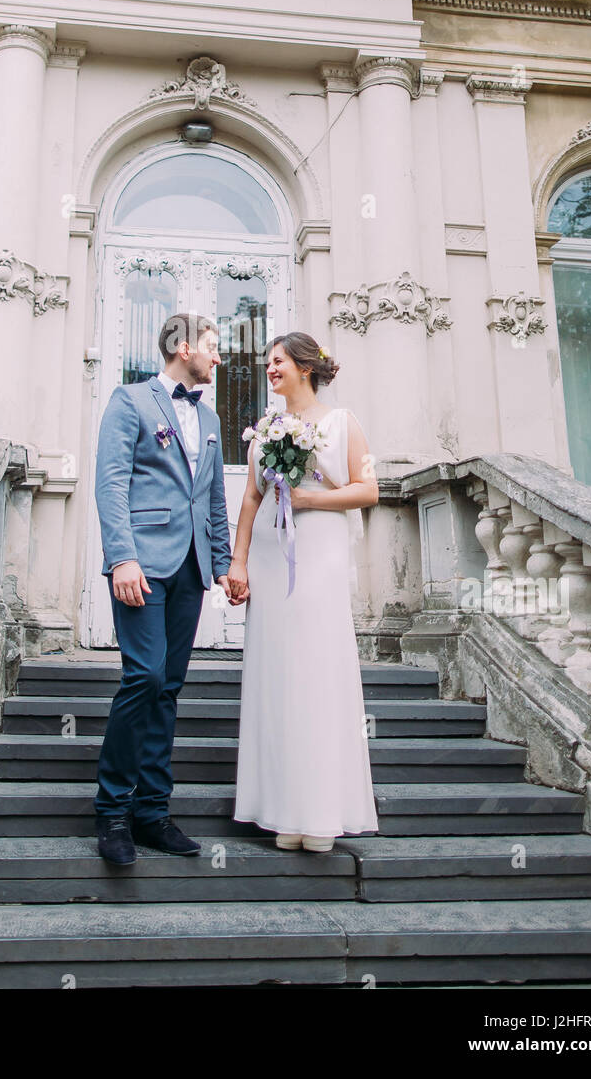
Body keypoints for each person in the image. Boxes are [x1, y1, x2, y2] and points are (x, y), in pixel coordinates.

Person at [93, 312, 240, 865]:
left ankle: (153, 814)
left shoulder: (211, 418)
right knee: (144, 676)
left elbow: (214, 498)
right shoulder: (129, 401)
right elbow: (111, 482)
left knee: (169, 686)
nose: (220, 357)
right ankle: (112, 812)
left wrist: (224, 565)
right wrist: (122, 557)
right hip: (143, 564)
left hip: (192, 569)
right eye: (212, 346)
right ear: (182, 346)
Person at [227, 332, 380, 851]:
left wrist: (309, 501)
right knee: (277, 672)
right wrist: (239, 561)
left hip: (318, 551)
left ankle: (319, 812)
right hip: (271, 557)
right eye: (267, 362)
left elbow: (368, 489)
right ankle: (281, 809)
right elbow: (252, 498)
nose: (270, 369)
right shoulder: (264, 431)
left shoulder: (341, 423)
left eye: (279, 361)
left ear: (306, 367)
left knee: (316, 669)